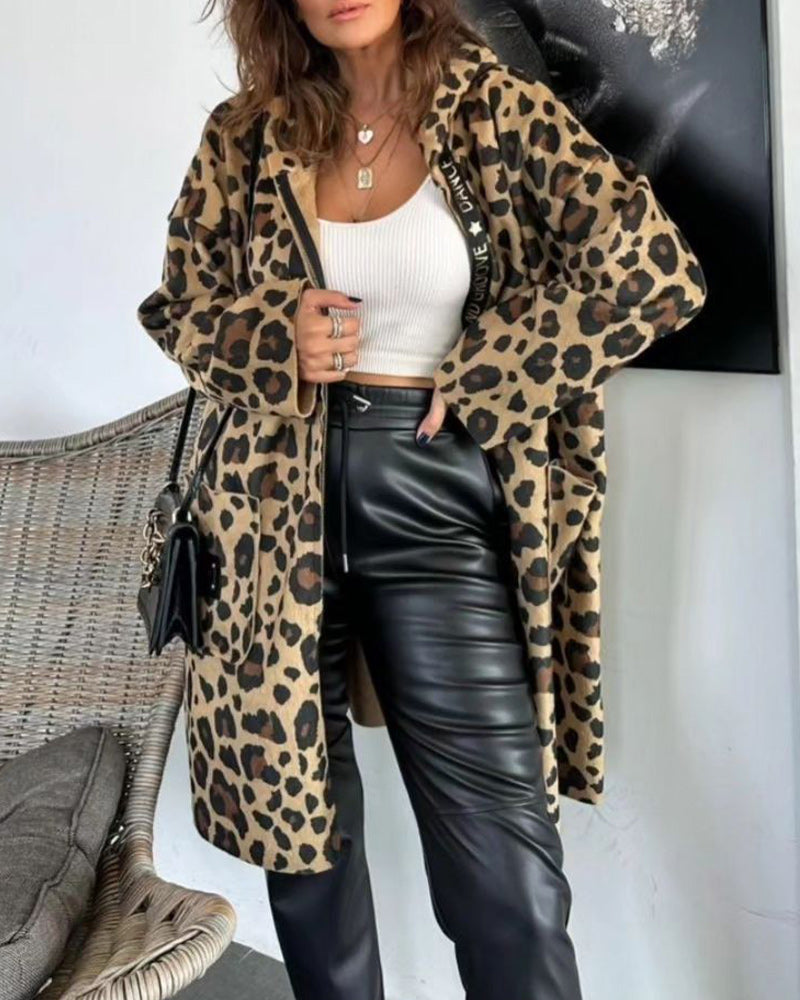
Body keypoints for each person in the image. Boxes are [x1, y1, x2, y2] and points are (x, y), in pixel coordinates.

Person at [136, 1, 707, 997]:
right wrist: (274, 339)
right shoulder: (246, 132)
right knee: (302, 852)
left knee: (506, 874)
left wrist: (489, 373)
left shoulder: (496, 110)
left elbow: (654, 273)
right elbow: (178, 309)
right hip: (264, 516)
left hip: (433, 501)